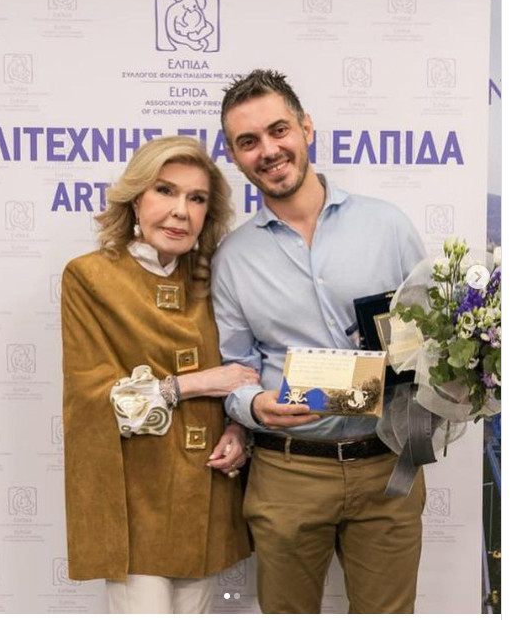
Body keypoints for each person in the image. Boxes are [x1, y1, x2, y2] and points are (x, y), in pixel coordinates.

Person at [211, 69, 428, 614]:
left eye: (278, 130)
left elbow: (431, 339)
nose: (268, 150)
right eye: (248, 141)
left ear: (306, 128)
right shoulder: (233, 258)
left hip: (387, 468)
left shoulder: (387, 225)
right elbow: (234, 368)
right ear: (234, 156)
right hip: (288, 473)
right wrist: (253, 405)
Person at [61, 136, 256, 614]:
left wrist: (238, 431)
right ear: (135, 199)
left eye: (197, 198)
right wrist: (193, 384)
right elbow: (93, 401)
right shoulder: (89, 278)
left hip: (207, 498)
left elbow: (244, 370)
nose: (180, 212)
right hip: (135, 504)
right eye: (165, 191)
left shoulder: (216, 277)